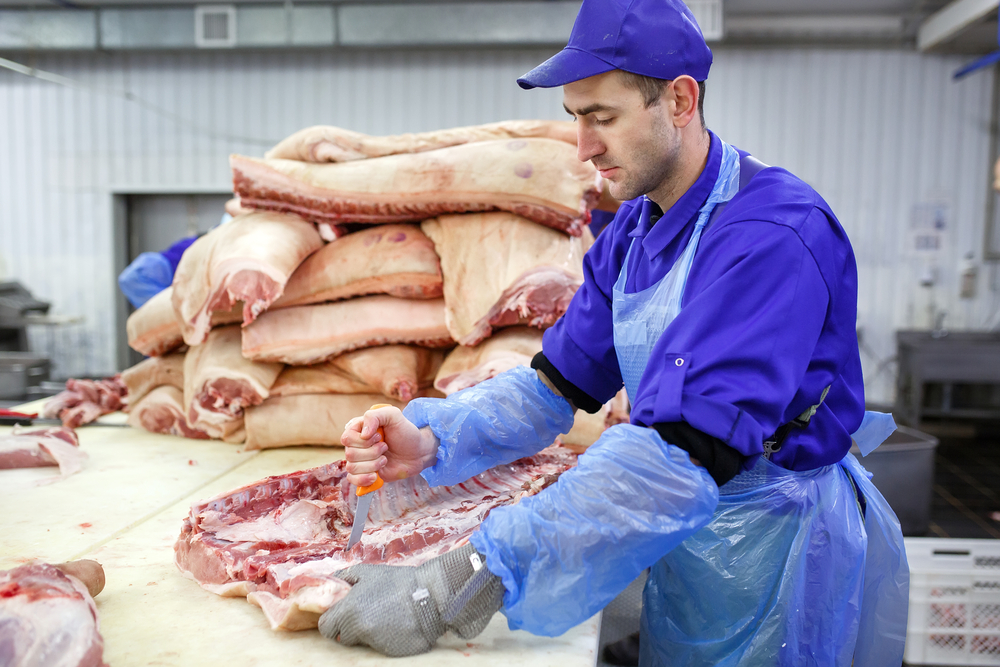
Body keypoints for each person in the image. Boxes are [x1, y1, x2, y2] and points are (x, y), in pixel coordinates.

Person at [319, 0, 910, 664]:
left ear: (680, 101)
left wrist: (451, 585)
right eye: (576, 118)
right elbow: (553, 386)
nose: (584, 146)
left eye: (603, 118)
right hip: (690, 541)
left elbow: (680, 455)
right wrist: (432, 439)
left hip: (776, 552)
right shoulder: (631, 233)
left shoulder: (771, 235)